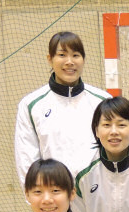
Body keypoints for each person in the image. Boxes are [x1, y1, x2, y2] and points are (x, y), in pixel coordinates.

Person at [14, 31, 110, 185]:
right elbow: (26, 159)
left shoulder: (103, 101)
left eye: (76, 55)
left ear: (83, 60)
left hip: (97, 194)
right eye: (62, 55)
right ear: (50, 59)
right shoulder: (31, 105)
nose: (69, 62)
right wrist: (40, 195)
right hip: (54, 194)